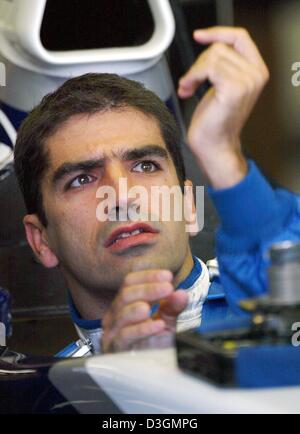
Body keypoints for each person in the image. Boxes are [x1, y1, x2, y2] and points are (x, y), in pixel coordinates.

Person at [13, 26, 270, 356]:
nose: (122, 196)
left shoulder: (278, 295)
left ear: (190, 206)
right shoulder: (52, 397)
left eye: (145, 165)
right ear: (41, 240)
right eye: (81, 179)